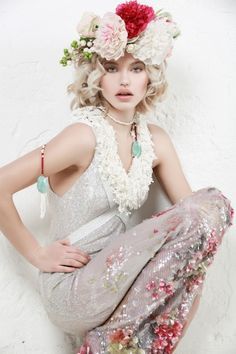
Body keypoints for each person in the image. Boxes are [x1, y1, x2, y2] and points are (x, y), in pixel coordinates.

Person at [0, 1, 234, 353]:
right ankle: (109, 342)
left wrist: (194, 258)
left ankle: (121, 345)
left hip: (122, 285)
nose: (124, 80)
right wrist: (36, 253)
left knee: (207, 223)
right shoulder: (83, 135)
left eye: (136, 68)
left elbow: (198, 222)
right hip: (74, 288)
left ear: (150, 76)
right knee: (209, 206)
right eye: (112, 68)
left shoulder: (154, 140)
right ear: (97, 77)